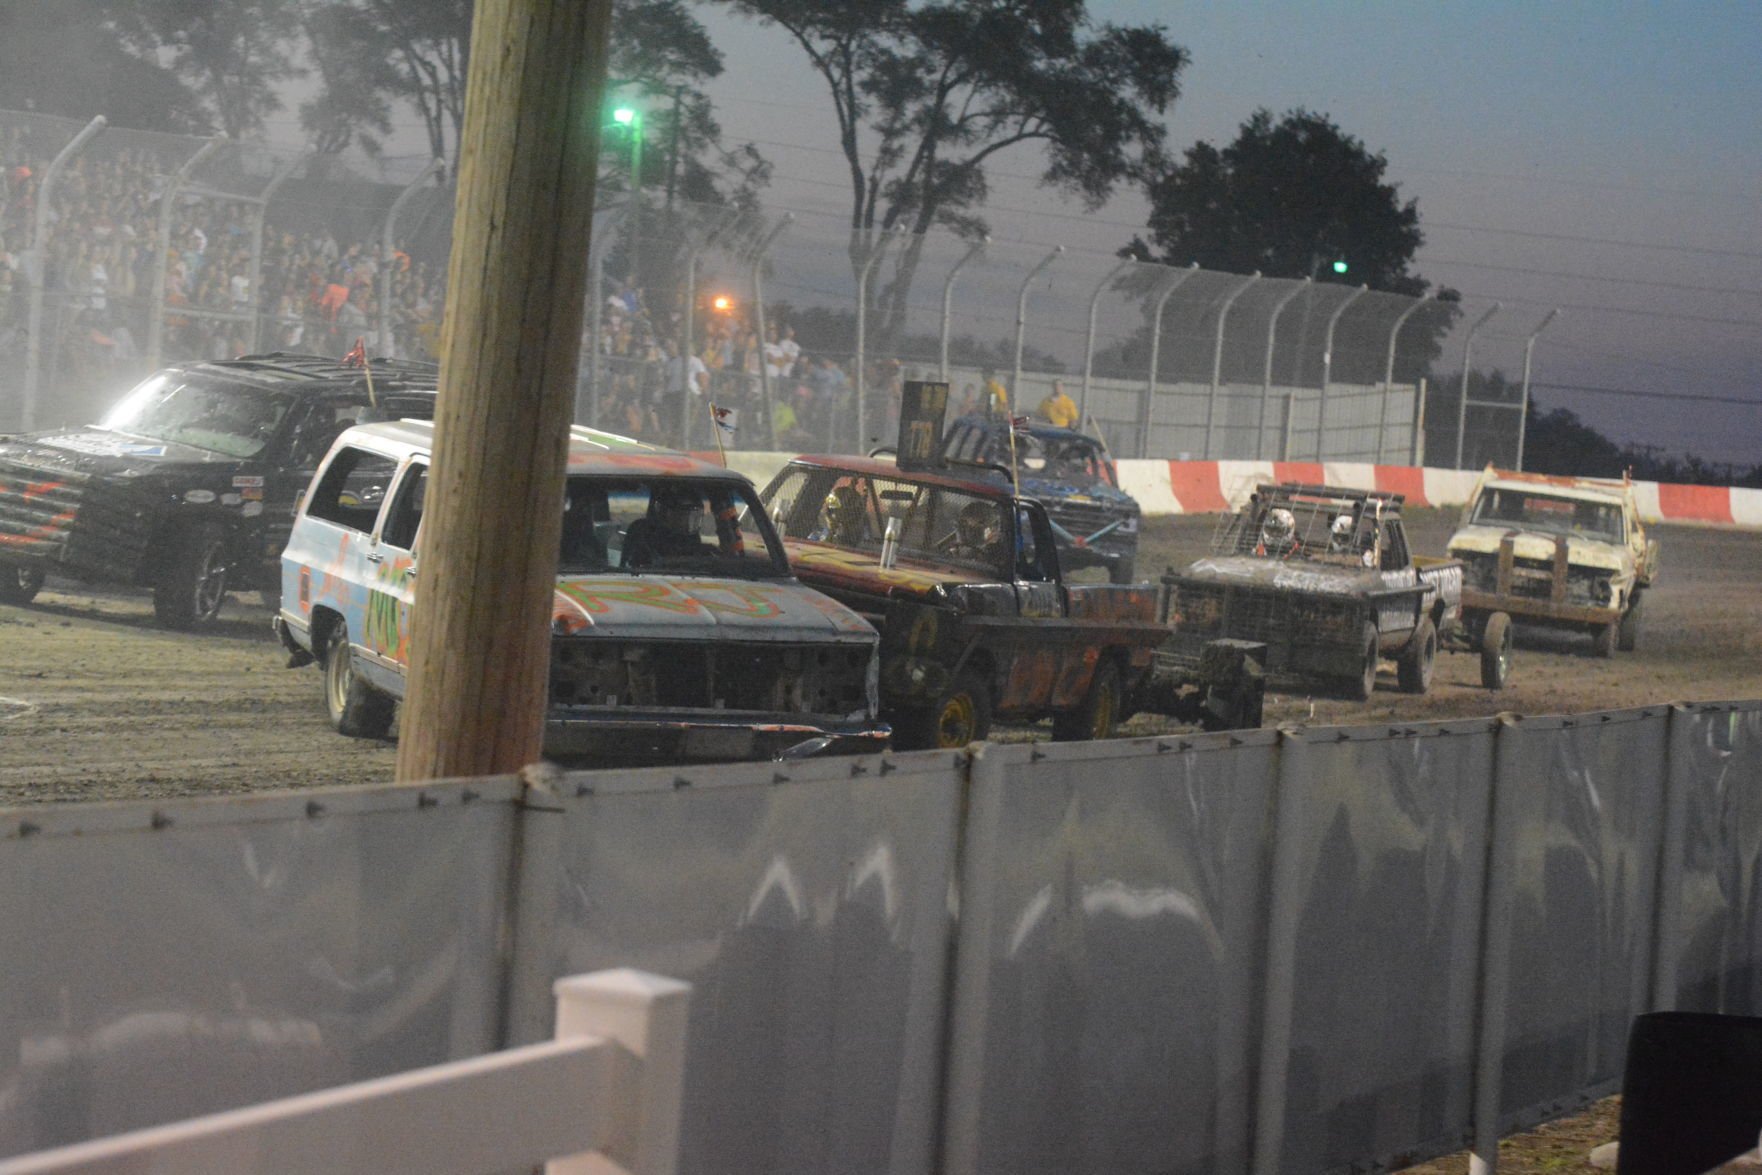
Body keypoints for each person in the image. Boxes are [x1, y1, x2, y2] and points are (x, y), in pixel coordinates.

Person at [620, 483, 708, 567]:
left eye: (693, 517)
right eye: (682, 515)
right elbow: (634, 566)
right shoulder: (645, 535)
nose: (688, 522)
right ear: (665, 514)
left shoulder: (692, 539)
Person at [942, 499, 1005, 566]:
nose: (967, 533)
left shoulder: (1001, 556)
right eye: (964, 527)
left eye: (977, 529)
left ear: (993, 529)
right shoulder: (951, 550)